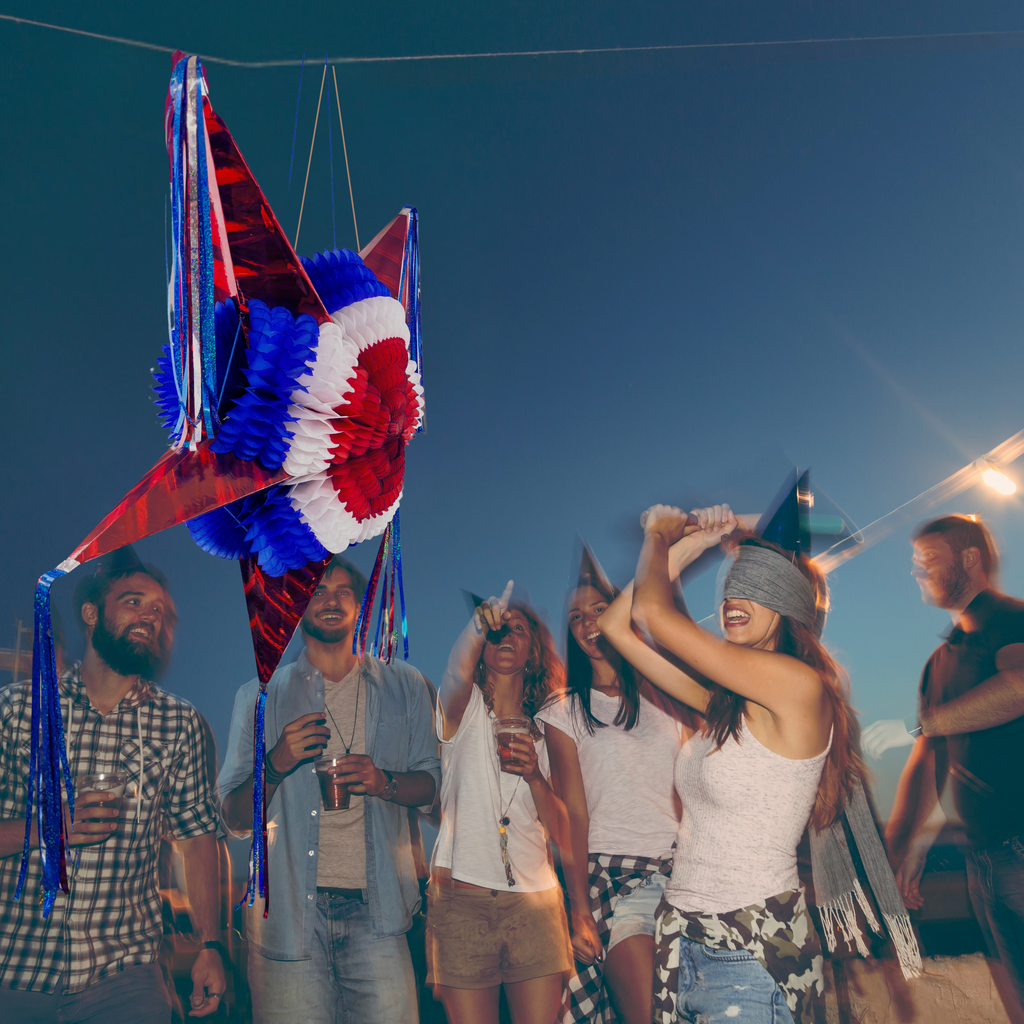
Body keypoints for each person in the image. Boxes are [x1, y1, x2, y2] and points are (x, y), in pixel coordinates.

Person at [599, 504, 869, 1024]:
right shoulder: (725, 705)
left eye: (756, 587)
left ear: (788, 604)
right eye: (729, 587)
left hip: (751, 952)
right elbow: (618, 625)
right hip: (684, 943)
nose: (733, 600)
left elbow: (654, 615)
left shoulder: (798, 687)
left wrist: (659, 534)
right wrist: (693, 544)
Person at [0, 548, 224, 1022]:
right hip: (14, 970)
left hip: (125, 978)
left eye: (158, 610)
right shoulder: (17, 710)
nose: (150, 617)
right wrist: (47, 828)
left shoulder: (181, 725)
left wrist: (210, 945)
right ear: (90, 613)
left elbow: (198, 840)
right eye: (133, 602)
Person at [219, 555, 440, 1024]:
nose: (331, 599)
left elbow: (435, 788)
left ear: (360, 605)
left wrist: (385, 782)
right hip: (283, 920)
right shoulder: (257, 696)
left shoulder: (409, 685)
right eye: (317, 591)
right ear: (296, 607)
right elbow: (234, 820)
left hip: (379, 915)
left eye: (343, 590)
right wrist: (275, 765)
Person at [536, 552, 693, 1024]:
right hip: (618, 885)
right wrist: (579, 907)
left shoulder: (666, 695)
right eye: (576, 618)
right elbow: (574, 815)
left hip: (689, 877)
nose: (588, 624)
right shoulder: (562, 711)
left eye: (600, 609)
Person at [885, 514, 1024, 1012]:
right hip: (983, 861)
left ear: (970, 559)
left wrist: (921, 725)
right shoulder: (938, 663)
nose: (917, 570)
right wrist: (918, 845)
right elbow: (940, 764)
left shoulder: (1011, 619)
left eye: (929, 559)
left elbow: (1019, 687)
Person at [428, 582, 572, 1024]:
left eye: (519, 630)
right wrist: (476, 626)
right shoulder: (462, 707)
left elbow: (565, 833)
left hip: (536, 904)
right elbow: (455, 672)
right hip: (461, 904)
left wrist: (534, 776)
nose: (506, 636)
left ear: (534, 651)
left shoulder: (551, 726)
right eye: (497, 631)